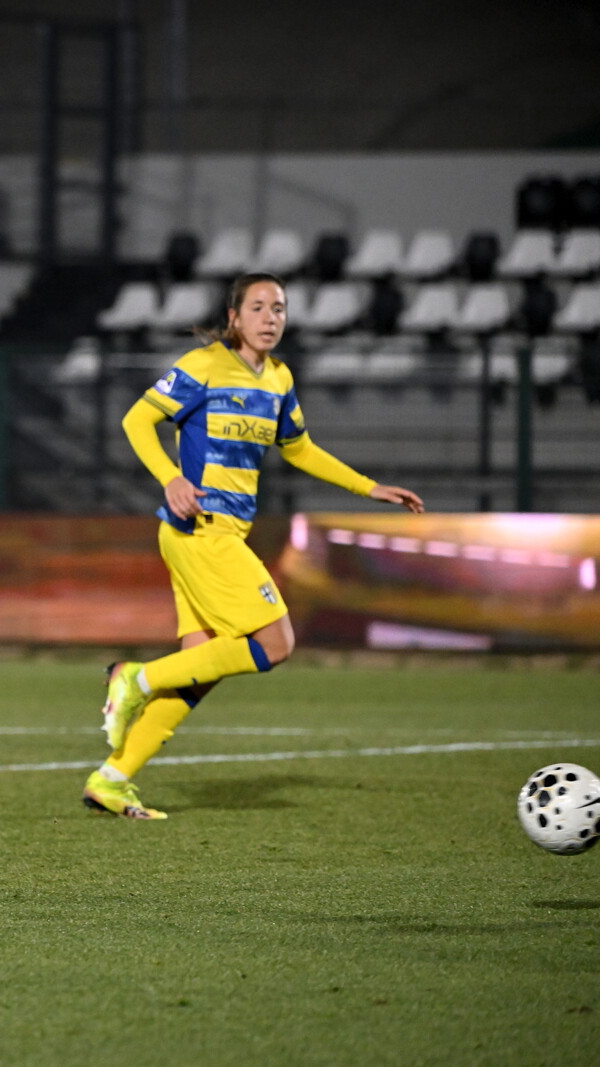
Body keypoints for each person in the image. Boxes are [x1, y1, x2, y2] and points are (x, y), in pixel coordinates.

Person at [85, 272, 426, 820]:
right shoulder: (203, 366)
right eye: (259, 307)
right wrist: (170, 477)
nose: (271, 317)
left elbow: (301, 449)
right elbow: (137, 420)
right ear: (234, 317)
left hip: (213, 535)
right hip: (202, 530)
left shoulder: (279, 379)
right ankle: (136, 677)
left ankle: (112, 780)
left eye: (279, 308)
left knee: (199, 670)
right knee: (276, 643)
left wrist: (369, 488)